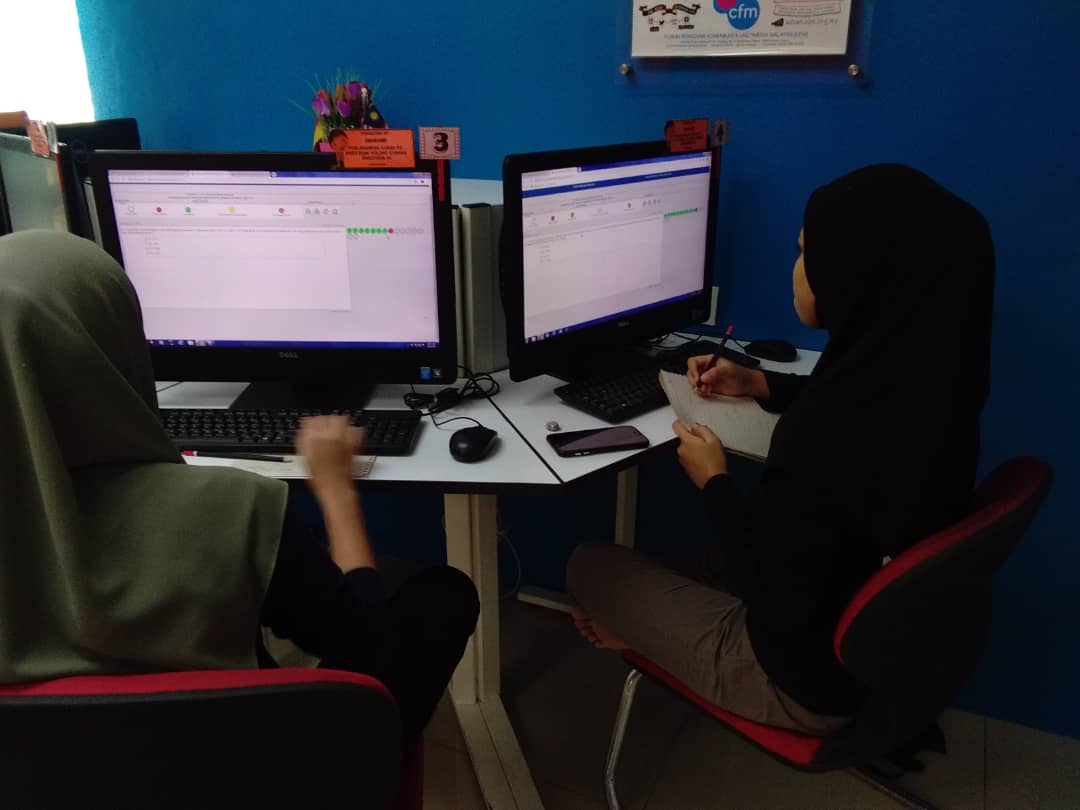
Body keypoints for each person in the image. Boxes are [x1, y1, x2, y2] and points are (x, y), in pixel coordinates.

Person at [0, 230, 478, 741]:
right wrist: (336, 490)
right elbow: (363, 647)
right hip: (246, 765)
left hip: (58, 771)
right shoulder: (225, 511)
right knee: (442, 595)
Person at [567, 164, 994, 733]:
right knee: (702, 565)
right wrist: (759, 382)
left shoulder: (828, 435)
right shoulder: (939, 385)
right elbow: (852, 400)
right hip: (879, 649)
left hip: (799, 677)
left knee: (589, 563)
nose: (796, 269)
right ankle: (653, 627)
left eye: (805, 253)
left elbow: (761, 577)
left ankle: (643, 636)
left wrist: (713, 481)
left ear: (854, 273)